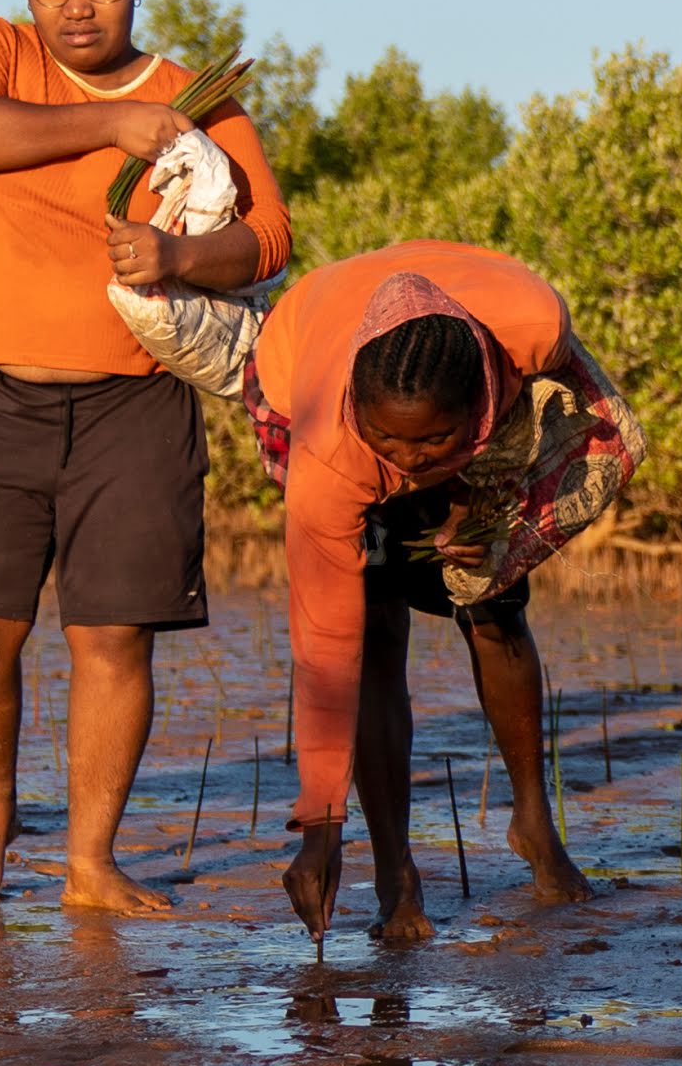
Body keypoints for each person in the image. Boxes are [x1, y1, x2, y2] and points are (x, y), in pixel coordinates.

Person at [0, 0, 291, 914]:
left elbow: (269, 239)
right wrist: (112, 124)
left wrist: (175, 249)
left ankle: (89, 861)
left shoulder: (195, 96)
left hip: (133, 406)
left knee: (111, 637)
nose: (75, 6)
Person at [257, 248, 641, 944]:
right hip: (303, 356)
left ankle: (533, 822)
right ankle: (394, 871)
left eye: (433, 440)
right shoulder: (333, 452)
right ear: (360, 413)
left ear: (475, 409)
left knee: (491, 609)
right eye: (390, 442)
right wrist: (319, 826)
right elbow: (323, 650)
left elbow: (538, 417)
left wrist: (478, 493)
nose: (409, 462)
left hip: (487, 401)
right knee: (372, 633)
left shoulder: (533, 328)